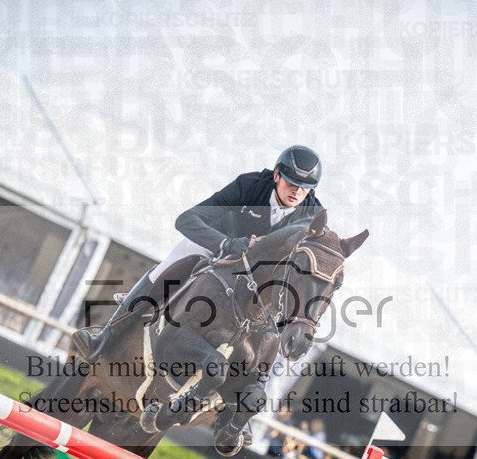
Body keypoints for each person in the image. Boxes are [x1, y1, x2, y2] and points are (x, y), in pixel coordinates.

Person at [73, 145, 325, 362]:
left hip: (256, 272)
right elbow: (187, 219)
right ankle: (104, 338)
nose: (297, 192)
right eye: (292, 183)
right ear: (276, 176)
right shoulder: (249, 186)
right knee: (167, 269)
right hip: (217, 244)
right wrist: (225, 243)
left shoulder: (313, 215)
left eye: (305, 188)